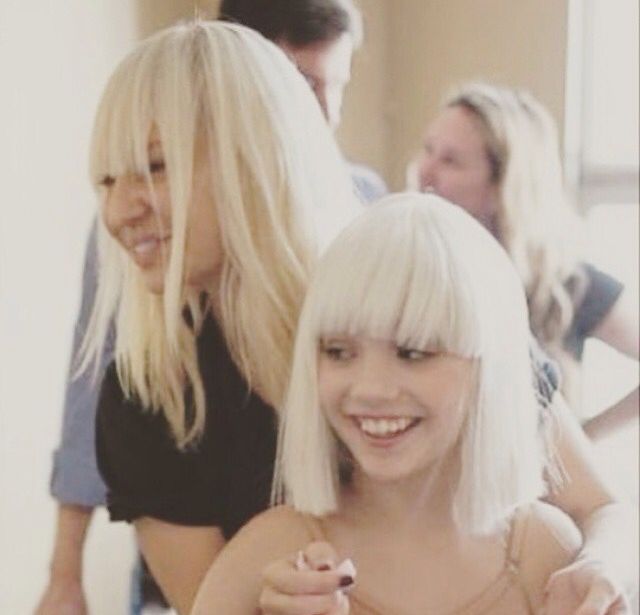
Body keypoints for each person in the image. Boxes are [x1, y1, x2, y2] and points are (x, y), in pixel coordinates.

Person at [37, 3, 385, 612]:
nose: (118, 215)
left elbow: (583, 503)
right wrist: (65, 568)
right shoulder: (149, 402)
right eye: (107, 182)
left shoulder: (399, 301)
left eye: (156, 167)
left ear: (251, 154)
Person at [190, 193, 609, 613]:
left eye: (413, 353)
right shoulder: (261, 559)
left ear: (488, 369)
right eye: (338, 351)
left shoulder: (549, 556)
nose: (371, 388)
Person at [411, 82, 638, 440]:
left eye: (450, 160)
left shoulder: (569, 284)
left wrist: (584, 440)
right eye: (428, 150)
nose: (425, 171)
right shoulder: (411, 273)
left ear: (503, 186)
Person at [218, 0, 388, 202]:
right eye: (307, 84)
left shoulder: (362, 196)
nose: (330, 114)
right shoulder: (192, 190)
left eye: (338, 86)